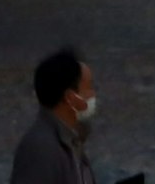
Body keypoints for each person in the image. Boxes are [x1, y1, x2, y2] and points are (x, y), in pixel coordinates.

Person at [13, 47, 95, 184]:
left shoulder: (71, 142)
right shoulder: (40, 150)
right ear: (70, 97)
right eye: (88, 88)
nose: (92, 95)